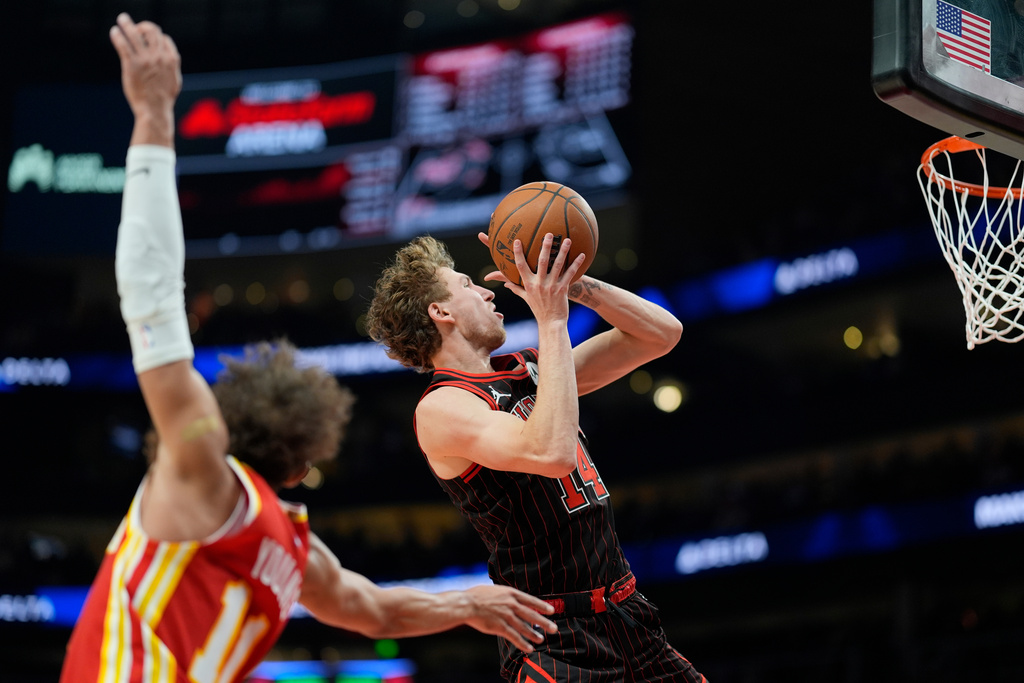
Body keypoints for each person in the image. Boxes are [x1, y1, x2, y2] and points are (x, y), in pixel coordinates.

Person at [59, 14, 557, 683]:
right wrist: (466, 601)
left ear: (227, 417)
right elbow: (373, 610)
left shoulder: (200, 461)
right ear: (301, 466)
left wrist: (152, 117)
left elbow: (150, 297)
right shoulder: (292, 550)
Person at [366, 229, 707, 683]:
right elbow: (552, 452)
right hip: (555, 637)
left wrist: (573, 286)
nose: (488, 291)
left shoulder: (528, 369)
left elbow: (661, 334)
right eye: (468, 284)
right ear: (440, 311)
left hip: (628, 612)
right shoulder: (442, 407)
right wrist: (551, 320)